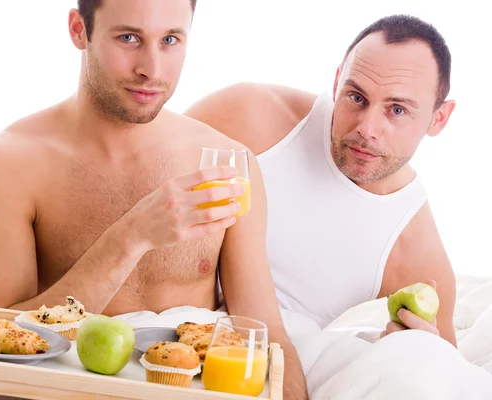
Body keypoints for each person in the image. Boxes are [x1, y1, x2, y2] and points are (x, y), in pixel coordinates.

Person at [0, 0, 306, 398]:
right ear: (78, 30)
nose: (152, 70)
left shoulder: (227, 163)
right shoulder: (6, 163)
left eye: (171, 40)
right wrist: (132, 235)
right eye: (129, 38)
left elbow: (266, 335)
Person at [185, 14, 458, 346]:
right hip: (160, 324)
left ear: (438, 118)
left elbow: (443, 368)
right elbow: (137, 164)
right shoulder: (253, 116)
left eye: (397, 110)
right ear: (337, 83)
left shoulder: (416, 252)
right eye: (356, 97)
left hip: (256, 367)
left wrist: (410, 347)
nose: (366, 128)